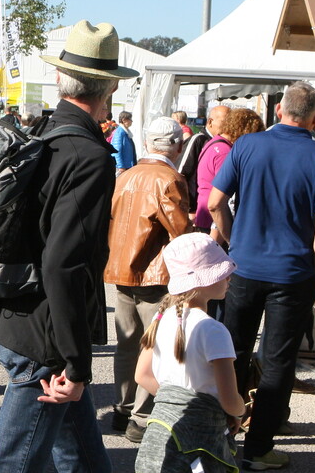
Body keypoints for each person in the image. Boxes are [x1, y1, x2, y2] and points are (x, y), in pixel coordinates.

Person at [0, 20, 136, 473]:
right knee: (15, 466)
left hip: (21, 317)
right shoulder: (88, 155)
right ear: (108, 88)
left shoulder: (42, 135)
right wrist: (76, 363)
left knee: (83, 461)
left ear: (62, 79)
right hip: (45, 340)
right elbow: (63, 263)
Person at [207, 81, 315, 470]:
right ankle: (259, 448)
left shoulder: (247, 145)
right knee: (279, 361)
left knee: (230, 351)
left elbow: (215, 202)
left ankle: (219, 434)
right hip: (294, 272)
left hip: (246, 267)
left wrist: (236, 241)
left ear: (279, 109)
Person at [104, 116, 191, 444]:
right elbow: (180, 231)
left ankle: (123, 408)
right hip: (156, 275)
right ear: (177, 146)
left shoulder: (126, 176)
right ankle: (141, 417)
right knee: (152, 345)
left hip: (121, 270)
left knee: (127, 343)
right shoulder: (169, 178)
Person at [133, 234, 246, 473]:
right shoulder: (214, 330)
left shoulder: (161, 317)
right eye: (220, 271)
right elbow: (230, 399)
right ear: (201, 281)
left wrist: (174, 403)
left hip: (160, 433)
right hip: (198, 444)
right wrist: (239, 410)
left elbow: (142, 375)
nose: (228, 276)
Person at [194, 108, 263, 235]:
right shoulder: (225, 152)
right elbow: (223, 197)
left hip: (203, 213)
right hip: (215, 223)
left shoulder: (213, 143)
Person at [178, 106, 228, 220]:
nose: (229, 125)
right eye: (225, 121)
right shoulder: (198, 140)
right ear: (210, 122)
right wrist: (189, 208)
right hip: (195, 211)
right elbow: (181, 172)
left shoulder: (223, 144)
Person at [110, 111, 136, 175]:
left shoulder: (125, 132)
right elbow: (116, 151)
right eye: (130, 119)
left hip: (127, 165)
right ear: (124, 120)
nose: (131, 121)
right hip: (123, 167)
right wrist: (120, 166)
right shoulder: (120, 132)